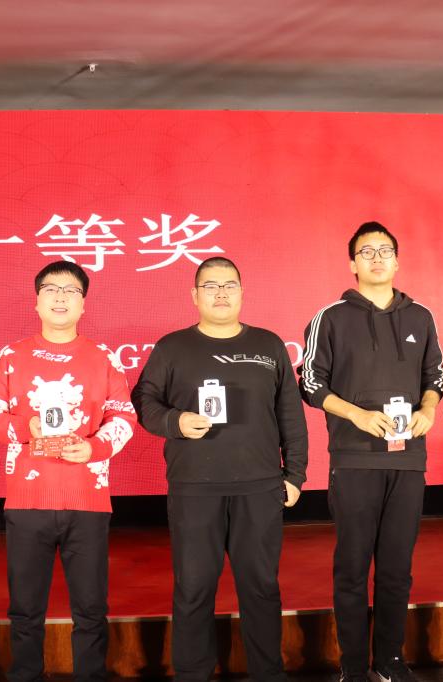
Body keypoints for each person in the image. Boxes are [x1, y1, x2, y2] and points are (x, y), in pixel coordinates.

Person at [132, 256, 307, 682]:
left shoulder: (268, 345)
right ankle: (192, 674)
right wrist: (175, 421)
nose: (221, 293)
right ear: (195, 295)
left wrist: (295, 475)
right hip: (194, 488)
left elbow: (290, 414)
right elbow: (144, 401)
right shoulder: (172, 347)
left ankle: (268, 675)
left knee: (261, 587)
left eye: (229, 285)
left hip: (260, 487)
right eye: (210, 286)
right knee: (193, 588)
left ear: (242, 293)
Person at [0, 260, 136, 682]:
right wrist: (23, 427)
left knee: (91, 609)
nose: (60, 297)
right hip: (27, 500)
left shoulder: (103, 358)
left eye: (71, 291)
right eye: (51, 289)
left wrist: (95, 447)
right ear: (36, 301)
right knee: (25, 609)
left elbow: (124, 416)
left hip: (88, 499)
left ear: (84, 304)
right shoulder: (11, 357)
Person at [298, 221, 443, 682]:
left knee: (397, 569)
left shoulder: (420, 316)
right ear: (352, 264)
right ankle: (353, 666)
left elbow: (435, 377)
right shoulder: (331, 317)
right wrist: (357, 415)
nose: (377, 258)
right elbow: (310, 383)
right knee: (352, 568)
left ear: (397, 261)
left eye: (385, 251)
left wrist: (428, 409)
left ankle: (390, 661)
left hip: (408, 459)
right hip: (354, 459)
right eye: (367, 252)